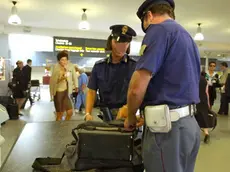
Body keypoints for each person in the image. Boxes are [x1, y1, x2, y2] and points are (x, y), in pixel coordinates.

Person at [124, 1, 201, 171]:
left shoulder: (158, 30)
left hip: (167, 131)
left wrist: (130, 117)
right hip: (189, 125)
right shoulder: (187, 38)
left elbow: (136, 89)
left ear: (149, 15)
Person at [85, 25, 137, 121]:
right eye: (117, 42)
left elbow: (139, 92)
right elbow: (91, 91)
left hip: (127, 116)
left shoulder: (135, 67)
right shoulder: (99, 66)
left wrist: (128, 108)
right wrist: (88, 113)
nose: (121, 47)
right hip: (105, 115)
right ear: (110, 42)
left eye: (125, 43)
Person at [50, 51, 78, 121]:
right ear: (59, 60)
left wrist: (76, 86)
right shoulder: (55, 67)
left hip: (67, 92)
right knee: (60, 114)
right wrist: (62, 77)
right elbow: (53, 81)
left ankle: (65, 124)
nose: (64, 61)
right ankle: (58, 128)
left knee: (70, 112)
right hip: (58, 92)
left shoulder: (70, 66)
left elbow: (74, 76)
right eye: (62, 60)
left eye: (65, 59)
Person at [195, 71, 211, 144]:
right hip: (203, 100)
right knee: (204, 116)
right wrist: (208, 103)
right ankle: (206, 133)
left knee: (195, 117)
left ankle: (195, 135)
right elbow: (206, 92)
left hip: (195, 100)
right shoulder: (204, 80)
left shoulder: (193, 78)